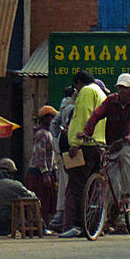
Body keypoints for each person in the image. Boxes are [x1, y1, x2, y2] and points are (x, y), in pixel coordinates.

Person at [78, 73, 130, 219]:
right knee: (111, 177)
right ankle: (111, 212)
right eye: (120, 88)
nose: (122, 91)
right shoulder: (111, 101)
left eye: (125, 88)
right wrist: (86, 132)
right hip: (114, 144)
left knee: (126, 154)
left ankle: (128, 194)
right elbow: (96, 115)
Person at [58, 70, 107, 238]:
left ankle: (78, 225)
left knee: (78, 186)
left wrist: (77, 144)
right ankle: (93, 225)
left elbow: (84, 117)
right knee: (92, 187)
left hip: (84, 145)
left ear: (79, 83)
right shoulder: (100, 93)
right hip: (97, 144)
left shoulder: (86, 91)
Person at [0, 158, 38, 235]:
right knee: (21, 205)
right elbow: (32, 197)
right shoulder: (14, 185)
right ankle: (36, 229)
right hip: (2, 225)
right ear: (12, 172)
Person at [48, 86, 75, 229]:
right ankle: (66, 219)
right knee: (70, 184)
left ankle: (60, 217)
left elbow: (54, 125)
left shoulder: (63, 108)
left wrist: (56, 141)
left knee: (64, 183)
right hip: (71, 148)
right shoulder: (72, 108)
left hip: (62, 149)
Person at [26, 105, 58, 226]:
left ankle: (43, 225)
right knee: (40, 201)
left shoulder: (49, 133)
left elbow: (52, 156)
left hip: (46, 171)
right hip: (38, 173)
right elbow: (40, 155)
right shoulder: (42, 134)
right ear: (46, 118)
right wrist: (45, 173)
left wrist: (53, 170)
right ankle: (38, 225)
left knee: (48, 202)